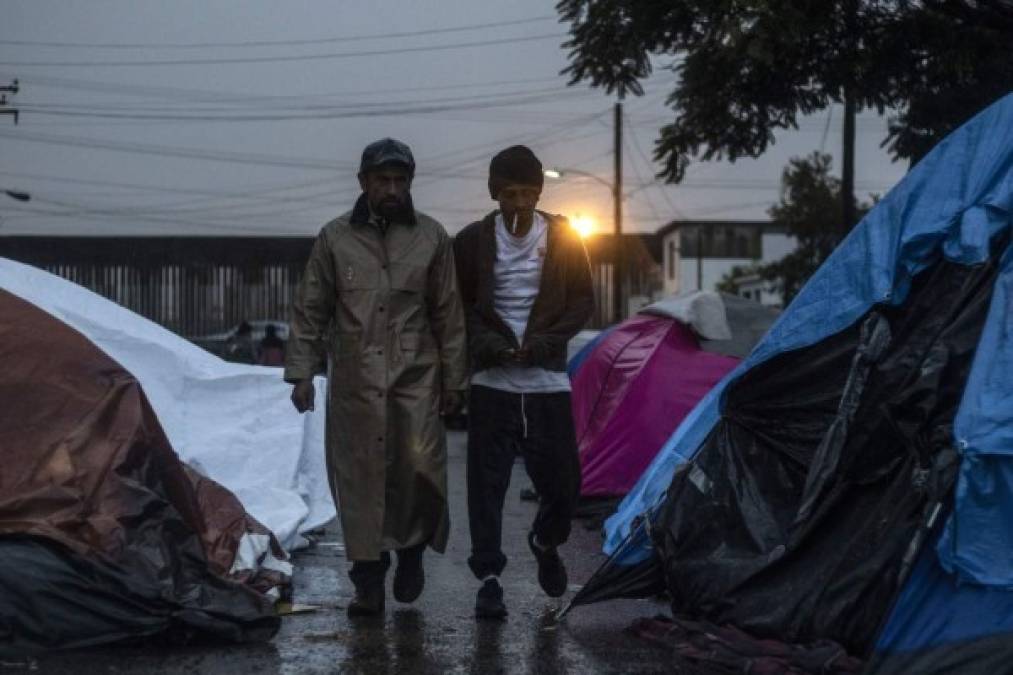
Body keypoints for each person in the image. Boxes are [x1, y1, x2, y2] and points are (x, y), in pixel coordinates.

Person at [284, 138, 467, 617]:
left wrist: (455, 381)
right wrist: (301, 371)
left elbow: (448, 314)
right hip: (356, 379)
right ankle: (367, 581)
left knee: (418, 474)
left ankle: (411, 555)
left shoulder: (432, 238)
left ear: (409, 184)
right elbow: (311, 309)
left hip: (417, 378)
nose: (391, 188)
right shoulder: (334, 238)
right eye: (382, 180)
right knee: (360, 482)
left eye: (399, 180)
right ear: (363, 182)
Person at [453, 145, 594, 619]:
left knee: (564, 484)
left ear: (540, 193)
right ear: (494, 193)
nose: (520, 203)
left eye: (528, 194)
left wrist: (547, 341)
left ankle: (545, 540)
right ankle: (489, 578)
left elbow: (580, 303)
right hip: (492, 381)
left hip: (547, 380)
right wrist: (488, 344)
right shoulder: (471, 241)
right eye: (510, 194)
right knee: (486, 484)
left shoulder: (565, 238)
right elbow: (461, 307)